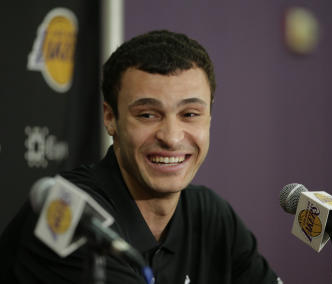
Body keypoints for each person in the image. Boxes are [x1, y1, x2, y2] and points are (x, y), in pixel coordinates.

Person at [0, 30, 281, 284]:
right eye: (148, 115)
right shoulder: (68, 214)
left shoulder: (211, 215)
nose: (171, 137)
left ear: (209, 116)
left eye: (190, 115)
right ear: (110, 118)